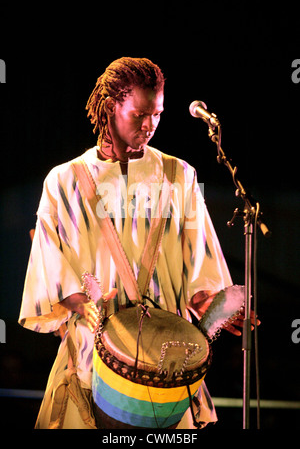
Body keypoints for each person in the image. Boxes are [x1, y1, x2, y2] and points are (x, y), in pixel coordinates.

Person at [19, 57, 252, 429]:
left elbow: (200, 266)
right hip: (92, 358)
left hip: (167, 366)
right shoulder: (64, 181)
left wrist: (217, 303)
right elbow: (49, 271)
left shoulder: (180, 176)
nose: (149, 126)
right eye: (139, 114)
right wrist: (85, 305)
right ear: (111, 106)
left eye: (157, 114)